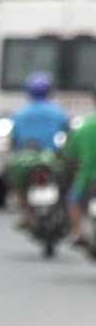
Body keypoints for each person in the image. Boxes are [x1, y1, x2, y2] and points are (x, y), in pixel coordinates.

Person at [6, 72, 69, 227]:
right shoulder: (59, 113)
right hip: (53, 157)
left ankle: (26, 213)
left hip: (26, 159)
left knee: (15, 179)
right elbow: (67, 135)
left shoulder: (19, 114)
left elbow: (14, 139)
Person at [67, 92, 96, 244]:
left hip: (87, 179)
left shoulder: (84, 127)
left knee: (74, 201)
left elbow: (71, 154)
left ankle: (77, 233)